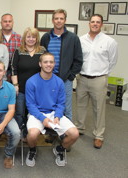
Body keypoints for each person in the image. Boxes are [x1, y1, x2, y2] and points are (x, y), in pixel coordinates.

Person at [25, 52, 79, 167]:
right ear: (40, 64)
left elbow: (61, 103)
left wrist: (57, 116)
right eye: (45, 62)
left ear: (54, 64)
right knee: (32, 135)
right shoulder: (31, 81)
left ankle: (60, 149)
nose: (48, 64)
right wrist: (43, 119)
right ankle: (32, 150)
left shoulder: (59, 82)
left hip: (54, 114)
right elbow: (30, 105)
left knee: (74, 134)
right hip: (37, 114)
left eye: (51, 62)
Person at [75, 14, 118, 149]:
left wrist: (103, 75)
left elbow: (113, 61)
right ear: (89, 23)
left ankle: (98, 135)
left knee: (99, 108)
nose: (95, 24)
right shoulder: (81, 40)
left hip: (99, 79)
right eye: (92, 22)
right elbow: (77, 58)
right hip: (82, 78)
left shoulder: (109, 42)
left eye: (97, 22)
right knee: (80, 105)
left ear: (101, 24)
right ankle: (80, 128)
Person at [41, 9, 83, 121]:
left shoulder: (73, 38)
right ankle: (52, 132)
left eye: (61, 18)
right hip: (48, 78)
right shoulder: (46, 37)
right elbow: (41, 57)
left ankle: (66, 135)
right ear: (52, 20)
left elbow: (78, 60)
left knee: (66, 108)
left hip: (65, 80)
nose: (59, 21)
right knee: (49, 106)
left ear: (65, 20)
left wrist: (71, 76)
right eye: (56, 18)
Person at [10, 27, 46, 129]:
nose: (31, 39)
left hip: (37, 89)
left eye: (33, 37)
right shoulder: (18, 51)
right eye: (28, 37)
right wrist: (15, 85)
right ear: (24, 38)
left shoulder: (42, 50)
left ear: (37, 38)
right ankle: (19, 133)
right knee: (19, 112)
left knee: (34, 112)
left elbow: (46, 68)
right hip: (21, 88)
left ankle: (32, 131)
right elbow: (13, 68)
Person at [0, 13, 21, 81]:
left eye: (9, 21)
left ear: (13, 23)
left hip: (15, 73)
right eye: (5, 21)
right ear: (1, 23)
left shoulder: (19, 38)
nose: (7, 23)